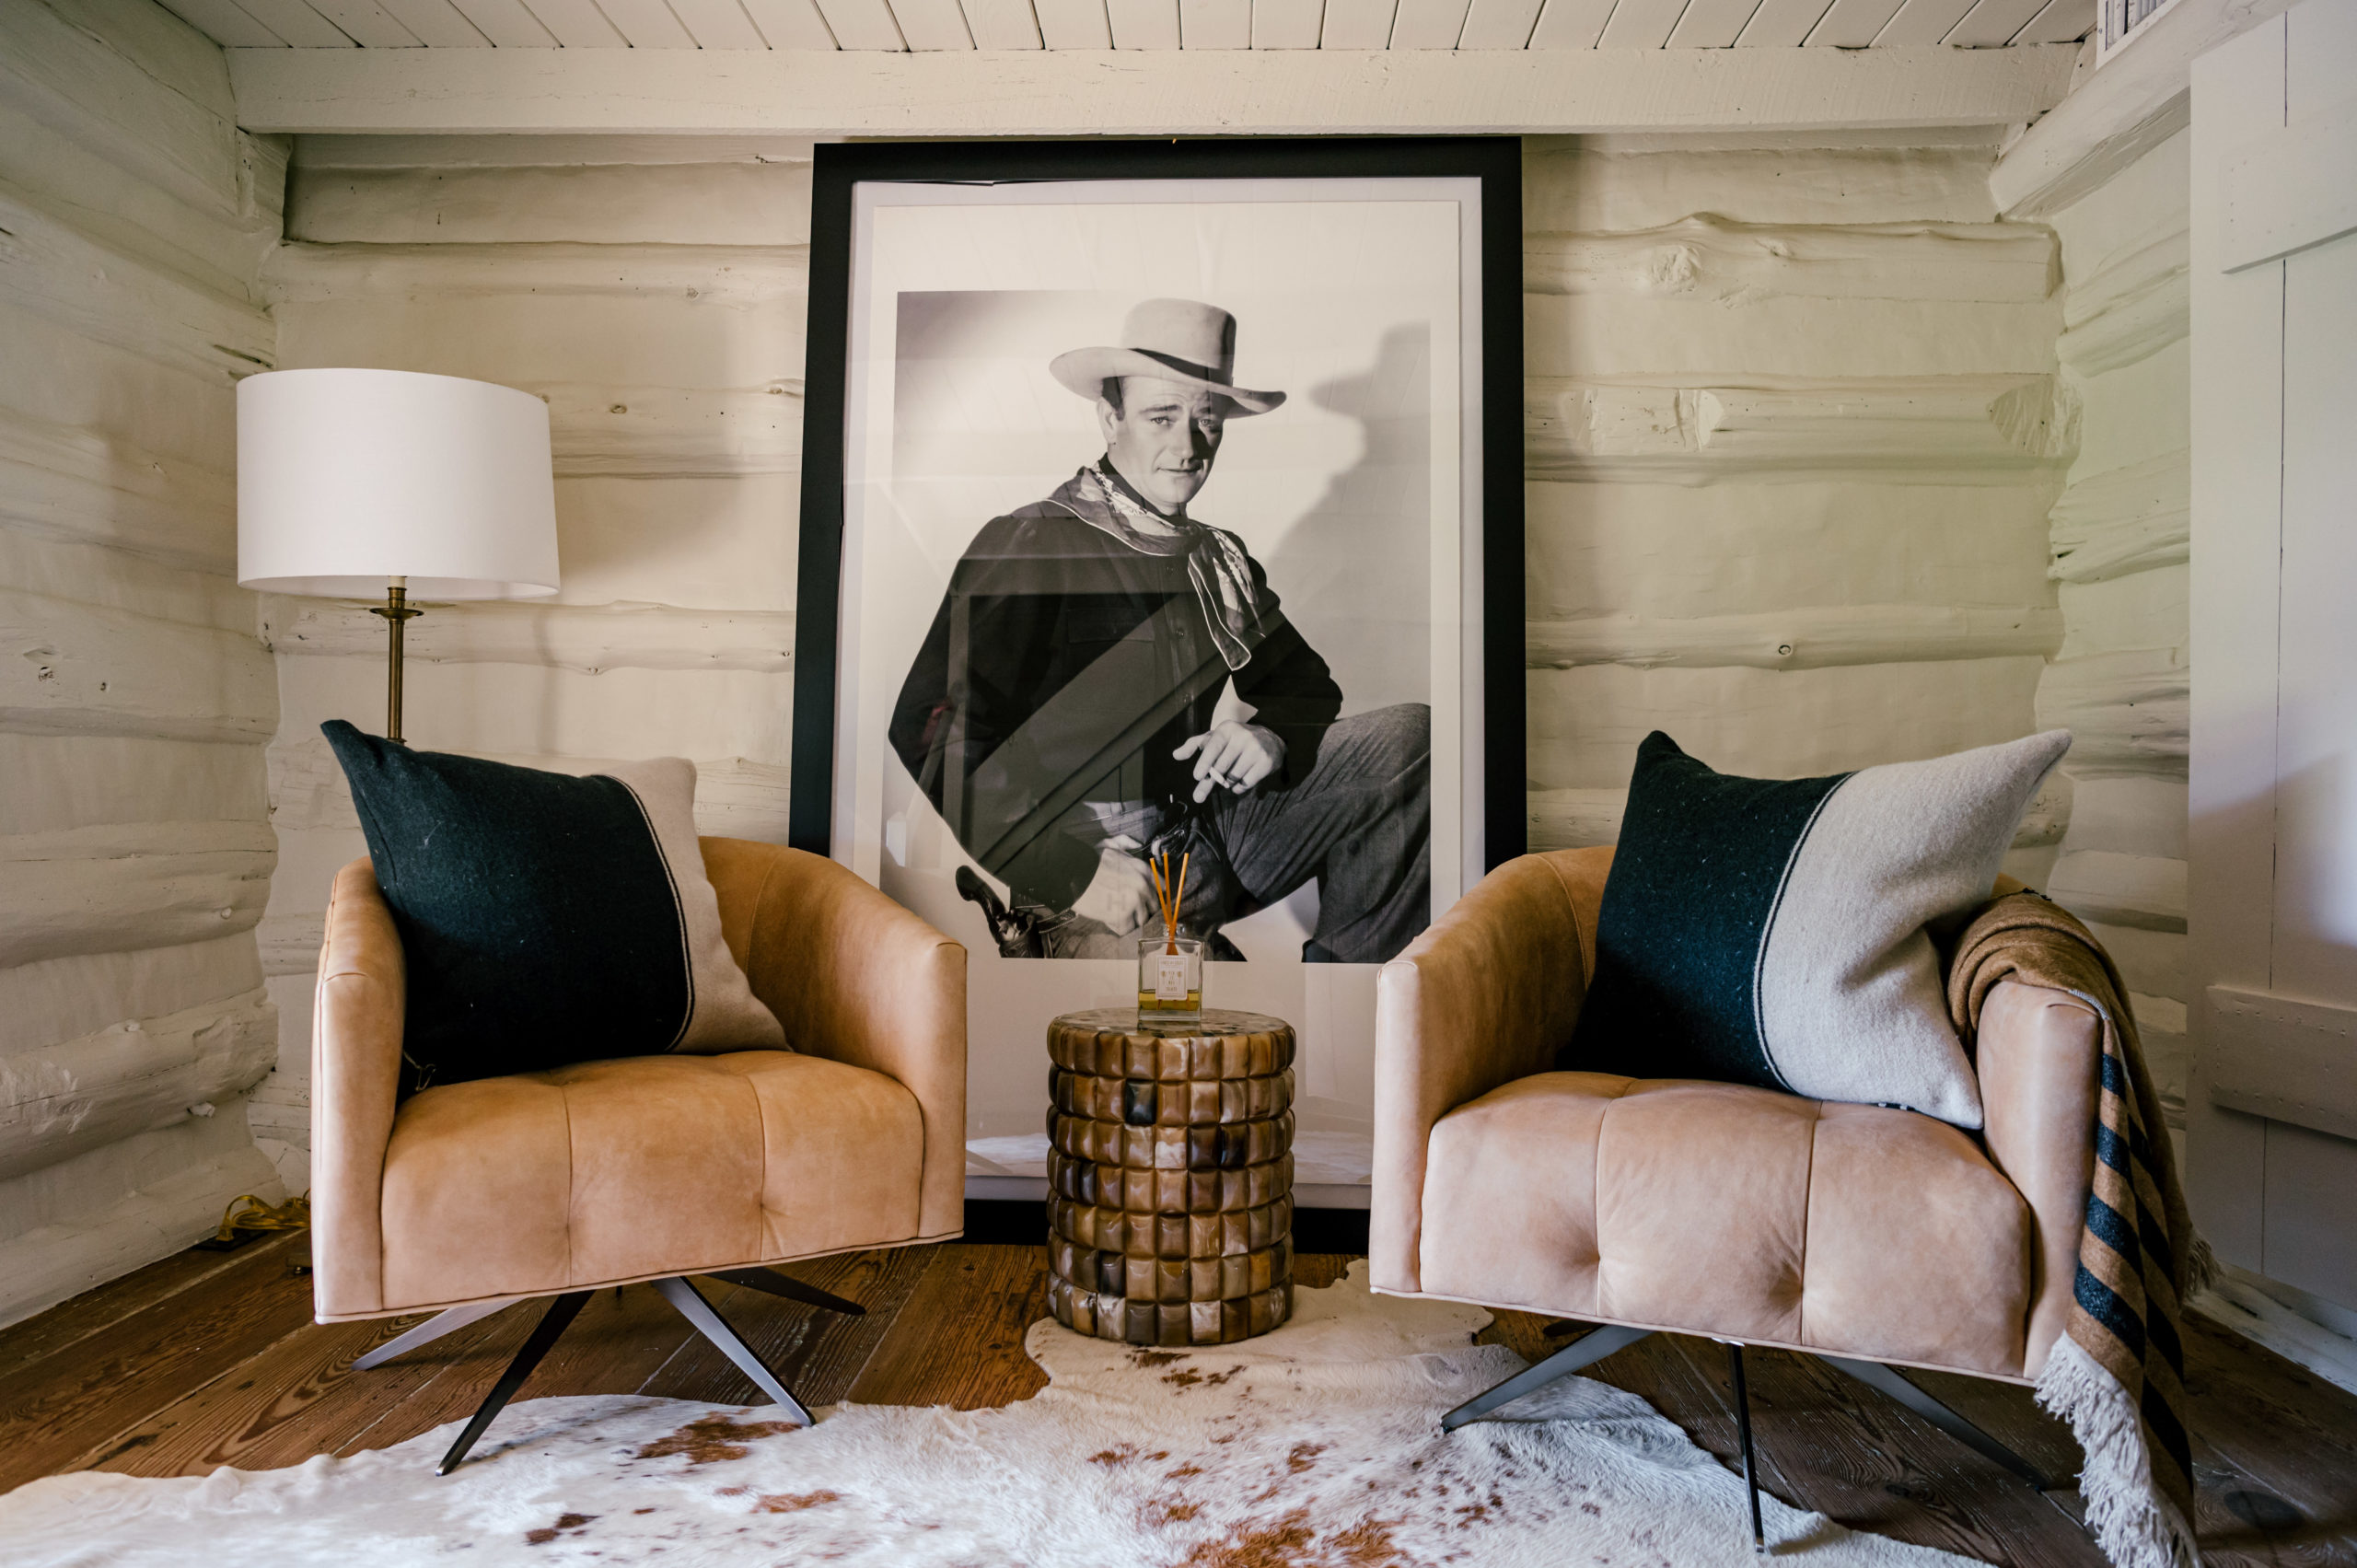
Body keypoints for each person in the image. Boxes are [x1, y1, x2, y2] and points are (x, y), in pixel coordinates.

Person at [888, 298, 1430, 963]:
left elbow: (1307, 690)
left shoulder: (1218, 556)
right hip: (1099, 882)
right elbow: (928, 724)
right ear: (1110, 417)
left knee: (1411, 743)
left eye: (1206, 420)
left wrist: (1270, 735)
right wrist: (1072, 872)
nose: (1188, 446)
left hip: (1209, 834)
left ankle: (1346, 996)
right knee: (1204, 1051)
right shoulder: (1033, 544)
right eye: (1161, 416)